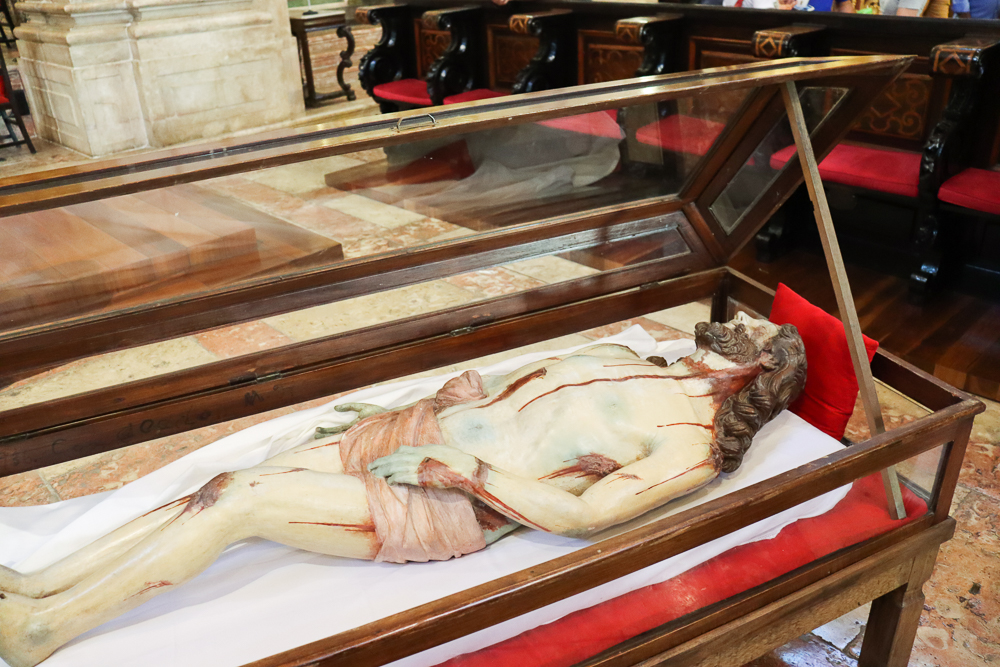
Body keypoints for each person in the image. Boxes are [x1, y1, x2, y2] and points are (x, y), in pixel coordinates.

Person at [0, 313, 806, 667]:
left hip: (443, 494)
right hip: (416, 428)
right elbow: (523, 390)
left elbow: (588, 514)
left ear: (761, 366)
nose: (745, 321)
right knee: (218, 485)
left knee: (244, 501)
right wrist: (453, 398)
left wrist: (465, 472)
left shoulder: (691, 445)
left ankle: (41, 632)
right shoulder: (636, 355)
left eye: (762, 330)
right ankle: (42, 583)